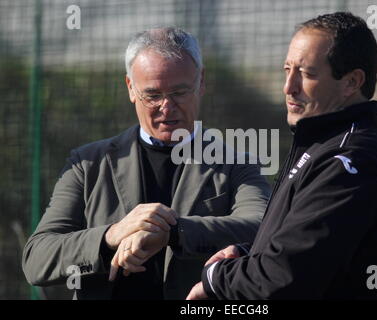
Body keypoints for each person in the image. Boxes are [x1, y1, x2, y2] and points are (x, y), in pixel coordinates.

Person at [22, 27, 270, 300]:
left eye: (179, 92)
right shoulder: (87, 163)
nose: (166, 107)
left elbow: (263, 228)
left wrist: (174, 232)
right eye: (152, 95)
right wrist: (111, 236)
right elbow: (37, 259)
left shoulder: (237, 165)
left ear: (201, 82)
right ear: (130, 88)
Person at [187, 12, 377, 300]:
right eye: (287, 70)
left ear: (352, 82)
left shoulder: (349, 162)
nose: (288, 87)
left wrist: (215, 278)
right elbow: (309, 252)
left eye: (306, 74)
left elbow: (283, 278)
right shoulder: (324, 144)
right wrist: (248, 254)